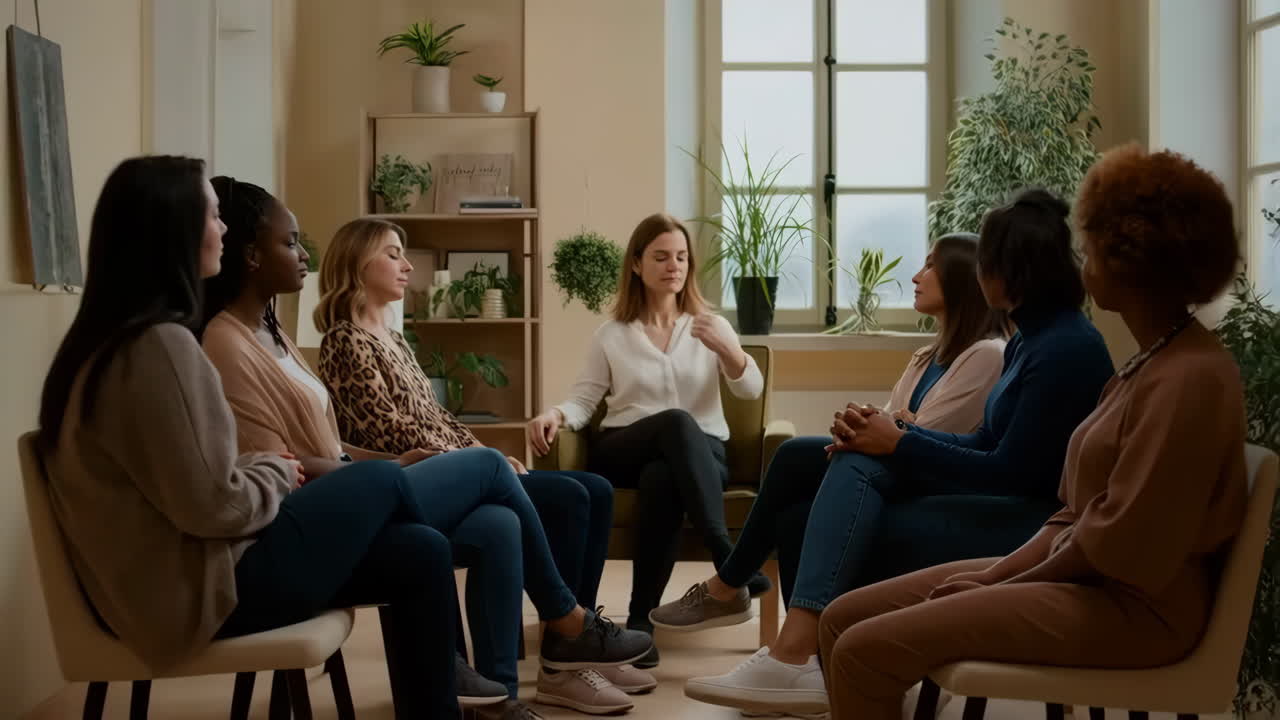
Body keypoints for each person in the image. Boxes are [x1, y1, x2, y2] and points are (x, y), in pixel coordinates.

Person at [817, 145, 1248, 720]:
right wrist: (995, 573)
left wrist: (999, 585)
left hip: (1135, 609)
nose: (1081, 260)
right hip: (1085, 579)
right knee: (840, 617)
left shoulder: (1189, 378)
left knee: (861, 654)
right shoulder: (1147, 362)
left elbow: (1118, 546)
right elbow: (1076, 516)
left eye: (1089, 245)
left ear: (1131, 259)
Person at [199, 178, 649, 719]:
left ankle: (498, 696)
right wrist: (402, 467)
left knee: (498, 524)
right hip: (318, 518)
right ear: (250, 255)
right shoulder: (229, 343)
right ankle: (568, 622)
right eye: (290, 242)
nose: (303, 254)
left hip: (354, 489)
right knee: (491, 470)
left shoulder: (274, 334)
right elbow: (279, 468)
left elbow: (338, 444)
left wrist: (390, 466)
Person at [38, 156, 463, 718]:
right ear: (173, 226)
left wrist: (259, 466)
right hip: (195, 596)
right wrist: (272, 470)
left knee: (420, 550)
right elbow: (213, 505)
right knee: (384, 476)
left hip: (181, 580)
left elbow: (193, 480)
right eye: (213, 217)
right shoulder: (160, 347)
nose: (222, 230)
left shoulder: (110, 342)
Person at [671, 189, 1115, 716]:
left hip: (1027, 526)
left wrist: (899, 442)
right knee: (801, 500)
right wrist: (888, 435)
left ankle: (793, 654)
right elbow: (984, 445)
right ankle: (804, 660)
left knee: (856, 463)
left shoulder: (1064, 349)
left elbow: (1012, 473)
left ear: (1008, 272)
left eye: (984, 264)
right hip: (1001, 501)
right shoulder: (1030, 340)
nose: (977, 275)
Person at [315, 216, 654, 712]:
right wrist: (477, 462)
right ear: (355, 263)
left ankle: (526, 676)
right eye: (392, 253)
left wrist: (485, 453)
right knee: (573, 497)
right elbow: (393, 432)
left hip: (452, 473)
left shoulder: (392, 337)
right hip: (411, 484)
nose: (407, 265)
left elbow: (436, 417)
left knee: (579, 495)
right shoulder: (345, 340)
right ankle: (568, 638)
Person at [527, 212, 767, 667]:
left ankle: (640, 622)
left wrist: (729, 349)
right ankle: (726, 554)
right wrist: (555, 413)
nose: (673, 265)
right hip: (625, 447)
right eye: (660, 256)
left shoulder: (710, 325)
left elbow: (750, 390)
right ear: (637, 264)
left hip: (702, 457)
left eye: (680, 257)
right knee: (675, 423)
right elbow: (584, 400)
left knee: (665, 476)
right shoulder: (612, 334)